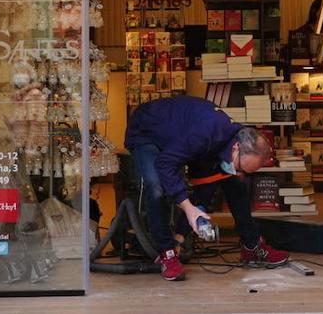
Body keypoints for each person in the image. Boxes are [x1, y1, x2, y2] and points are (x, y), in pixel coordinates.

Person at [123, 95, 290, 281]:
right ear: (236, 148)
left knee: (235, 183)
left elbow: (206, 186)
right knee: (156, 188)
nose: (241, 172)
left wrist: (181, 234)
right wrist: (187, 208)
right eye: (241, 167)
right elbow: (165, 163)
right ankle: (166, 253)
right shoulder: (203, 136)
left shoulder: (234, 137)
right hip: (147, 131)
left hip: (180, 132)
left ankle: (251, 247)